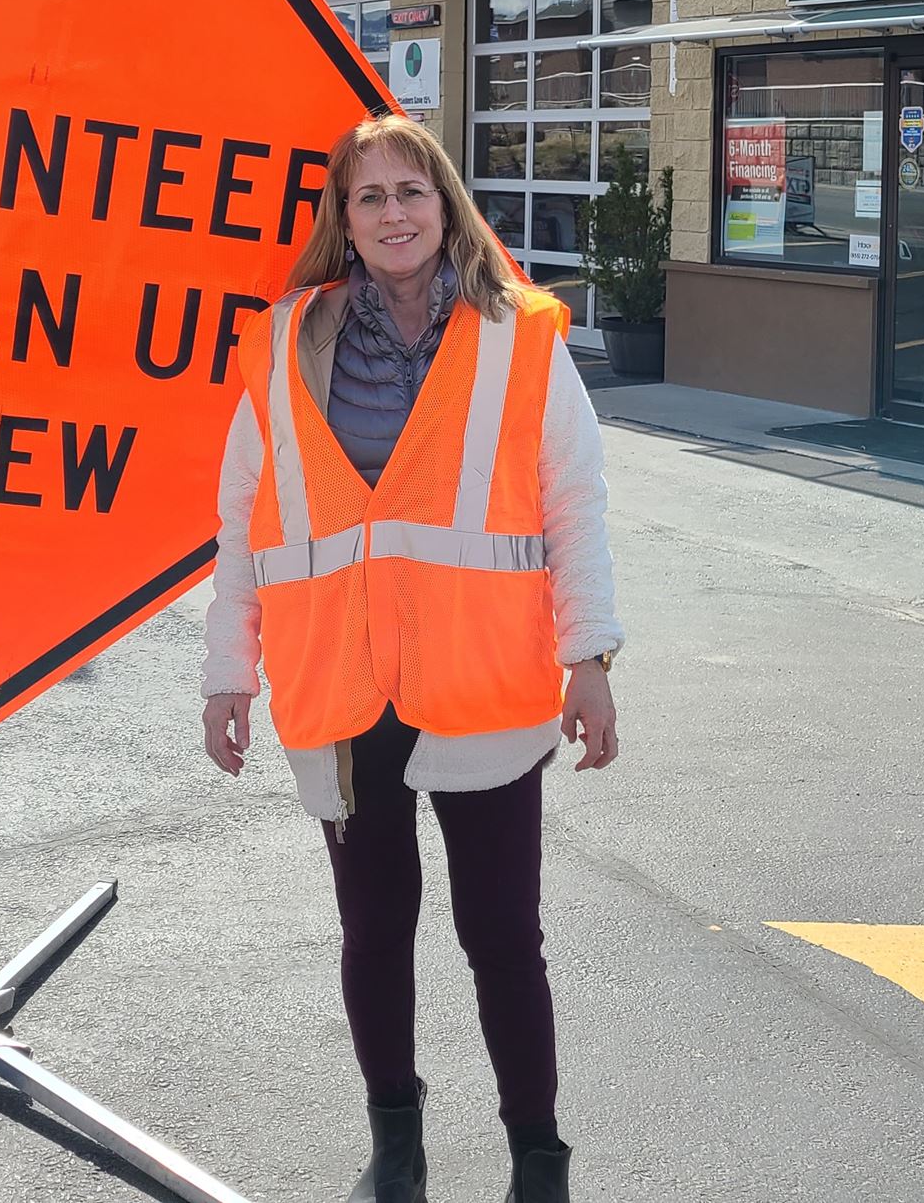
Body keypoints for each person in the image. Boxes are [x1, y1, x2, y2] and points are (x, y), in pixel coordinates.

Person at [204, 113, 622, 1203]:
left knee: (500, 936)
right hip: (339, 685)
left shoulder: (519, 334)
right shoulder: (286, 340)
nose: (393, 214)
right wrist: (225, 673)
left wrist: (588, 657)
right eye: (369, 197)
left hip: (479, 681)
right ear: (342, 222)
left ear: (447, 207)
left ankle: (538, 1150)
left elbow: (573, 501)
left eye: (411, 192)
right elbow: (242, 518)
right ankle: (397, 1134)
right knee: (373, 931)